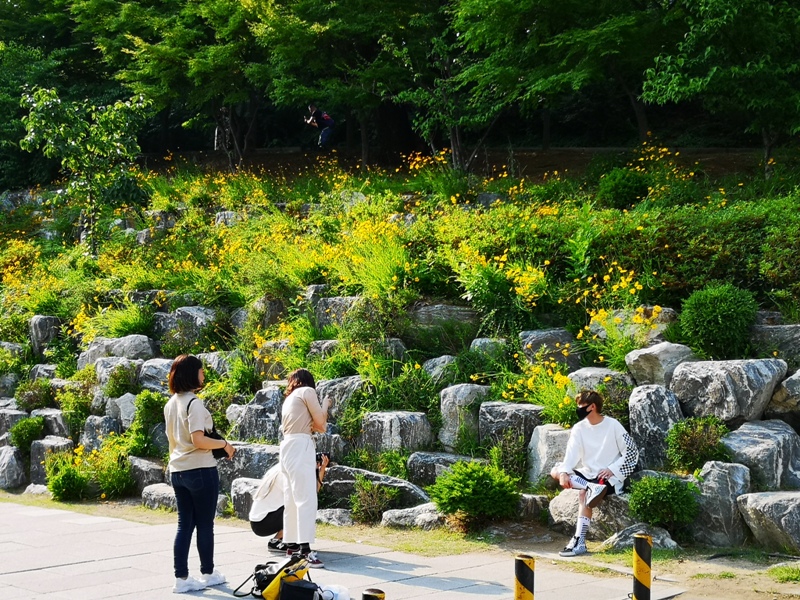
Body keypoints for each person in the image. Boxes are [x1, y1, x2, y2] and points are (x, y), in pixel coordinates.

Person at [163, 354, 235, 593]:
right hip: (200, 469)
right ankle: (208, 573)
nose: (204, 374)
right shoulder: (194, 403)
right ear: (191, 374)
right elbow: (198, 439)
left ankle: (181, 578)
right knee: (205, 524)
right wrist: (224, 445)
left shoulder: (171, 403)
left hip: (178, 470)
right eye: (201, 371)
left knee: (184, 525)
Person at [550, 389, 639, 557]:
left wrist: (612, 469)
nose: (578, 409)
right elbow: (570, 456)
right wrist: (564, 473)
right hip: (588, 475)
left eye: (581, 406)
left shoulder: (613, 425)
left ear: (592, 406)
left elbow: (631, 451)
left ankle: (579, 541)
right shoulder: (579, 428)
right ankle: (590, 487)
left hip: (608, 477)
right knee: (556, 470)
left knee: (583, 494)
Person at [280, 368, 330, 568]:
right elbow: (322, 425)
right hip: (301, 445)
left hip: (287, 447)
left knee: (291, 498)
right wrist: (325, 404)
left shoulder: (290, 399)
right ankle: (306, 551)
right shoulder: (307, 392)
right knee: (306, 499)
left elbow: (314, 425)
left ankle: (291, 546)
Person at [249, 453, 330, 551]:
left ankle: (287, 539)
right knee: (299, 507)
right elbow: (307, 496)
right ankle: (276, 541)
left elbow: (312, 493)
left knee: (299, 505)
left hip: (261, 519)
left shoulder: (281, 467)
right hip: (262, 522)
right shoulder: (285, 474)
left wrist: (321, 469)